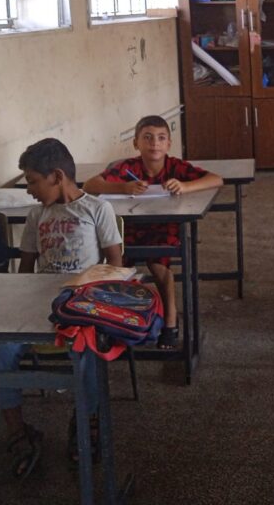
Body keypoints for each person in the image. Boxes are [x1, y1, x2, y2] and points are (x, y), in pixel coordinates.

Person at [0, 138, 124, 478]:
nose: (29, 189)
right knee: (0, 346)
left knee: (87, 347)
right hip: (39, 305)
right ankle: (17, 429)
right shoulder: (37, 215)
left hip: (81, 307)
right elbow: (26, 272)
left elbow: (115, 265)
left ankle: (86, 421)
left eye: (33, 181)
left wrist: (92, 296)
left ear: (57, 176)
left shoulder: (97, 209)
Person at [83, 115, 222, 350]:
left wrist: (185, 186)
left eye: (161, 138)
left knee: (159, 265)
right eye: (147, 138)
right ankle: (117, 320)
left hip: (163, 227)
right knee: (115, 265)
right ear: (136, 143)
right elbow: (90, 185)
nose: (154, 143)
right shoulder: (129, 167)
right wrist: (123, 187)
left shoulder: (175, 167)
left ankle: (170, 319)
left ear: (169, 143)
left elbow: (216, 179)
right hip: (131, 227)